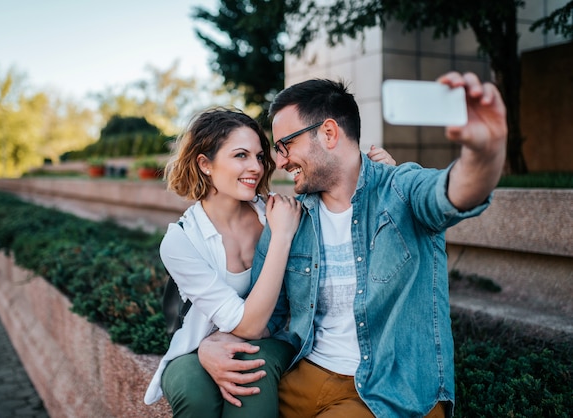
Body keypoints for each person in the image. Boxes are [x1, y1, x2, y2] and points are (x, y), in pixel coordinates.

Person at [197, 72, 507, 417]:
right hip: (307, 375)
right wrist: (212, 344)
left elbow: (454, 193)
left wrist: (484, 151)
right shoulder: (289, 218)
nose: (280, 161)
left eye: (286, 145)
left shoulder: (401, 190)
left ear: (329, 133)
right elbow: (269, 317)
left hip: (389, 391)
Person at [143, 108, 397, 417]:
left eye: (260, 156)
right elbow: (244, 322)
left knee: (252, 375)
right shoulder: (181, 241)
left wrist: (378, 180)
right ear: (205, 164)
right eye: (241, 155)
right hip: (200, 346)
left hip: (274, 340)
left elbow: (343, 213)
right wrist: (208, 348)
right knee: (194, 394)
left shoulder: (277, 214)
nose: (256, 167)